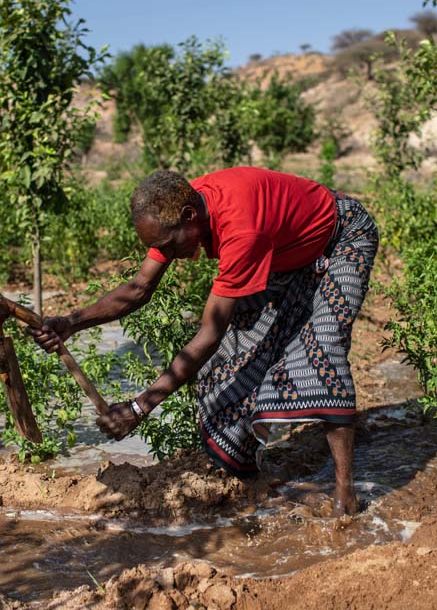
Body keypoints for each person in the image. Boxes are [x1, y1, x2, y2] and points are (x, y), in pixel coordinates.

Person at [28, 166, 378, 515]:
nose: (168, 255)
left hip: (343, 237)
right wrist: (70, 323)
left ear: (189, 216)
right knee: (232, 359)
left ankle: (345, 493)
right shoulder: (176, 206)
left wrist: (139, 408)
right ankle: (249, 471)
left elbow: (209, 334)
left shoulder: (241, 229)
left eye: (168, 246)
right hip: (288, 253)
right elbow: (138, 289)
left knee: (322, 349)